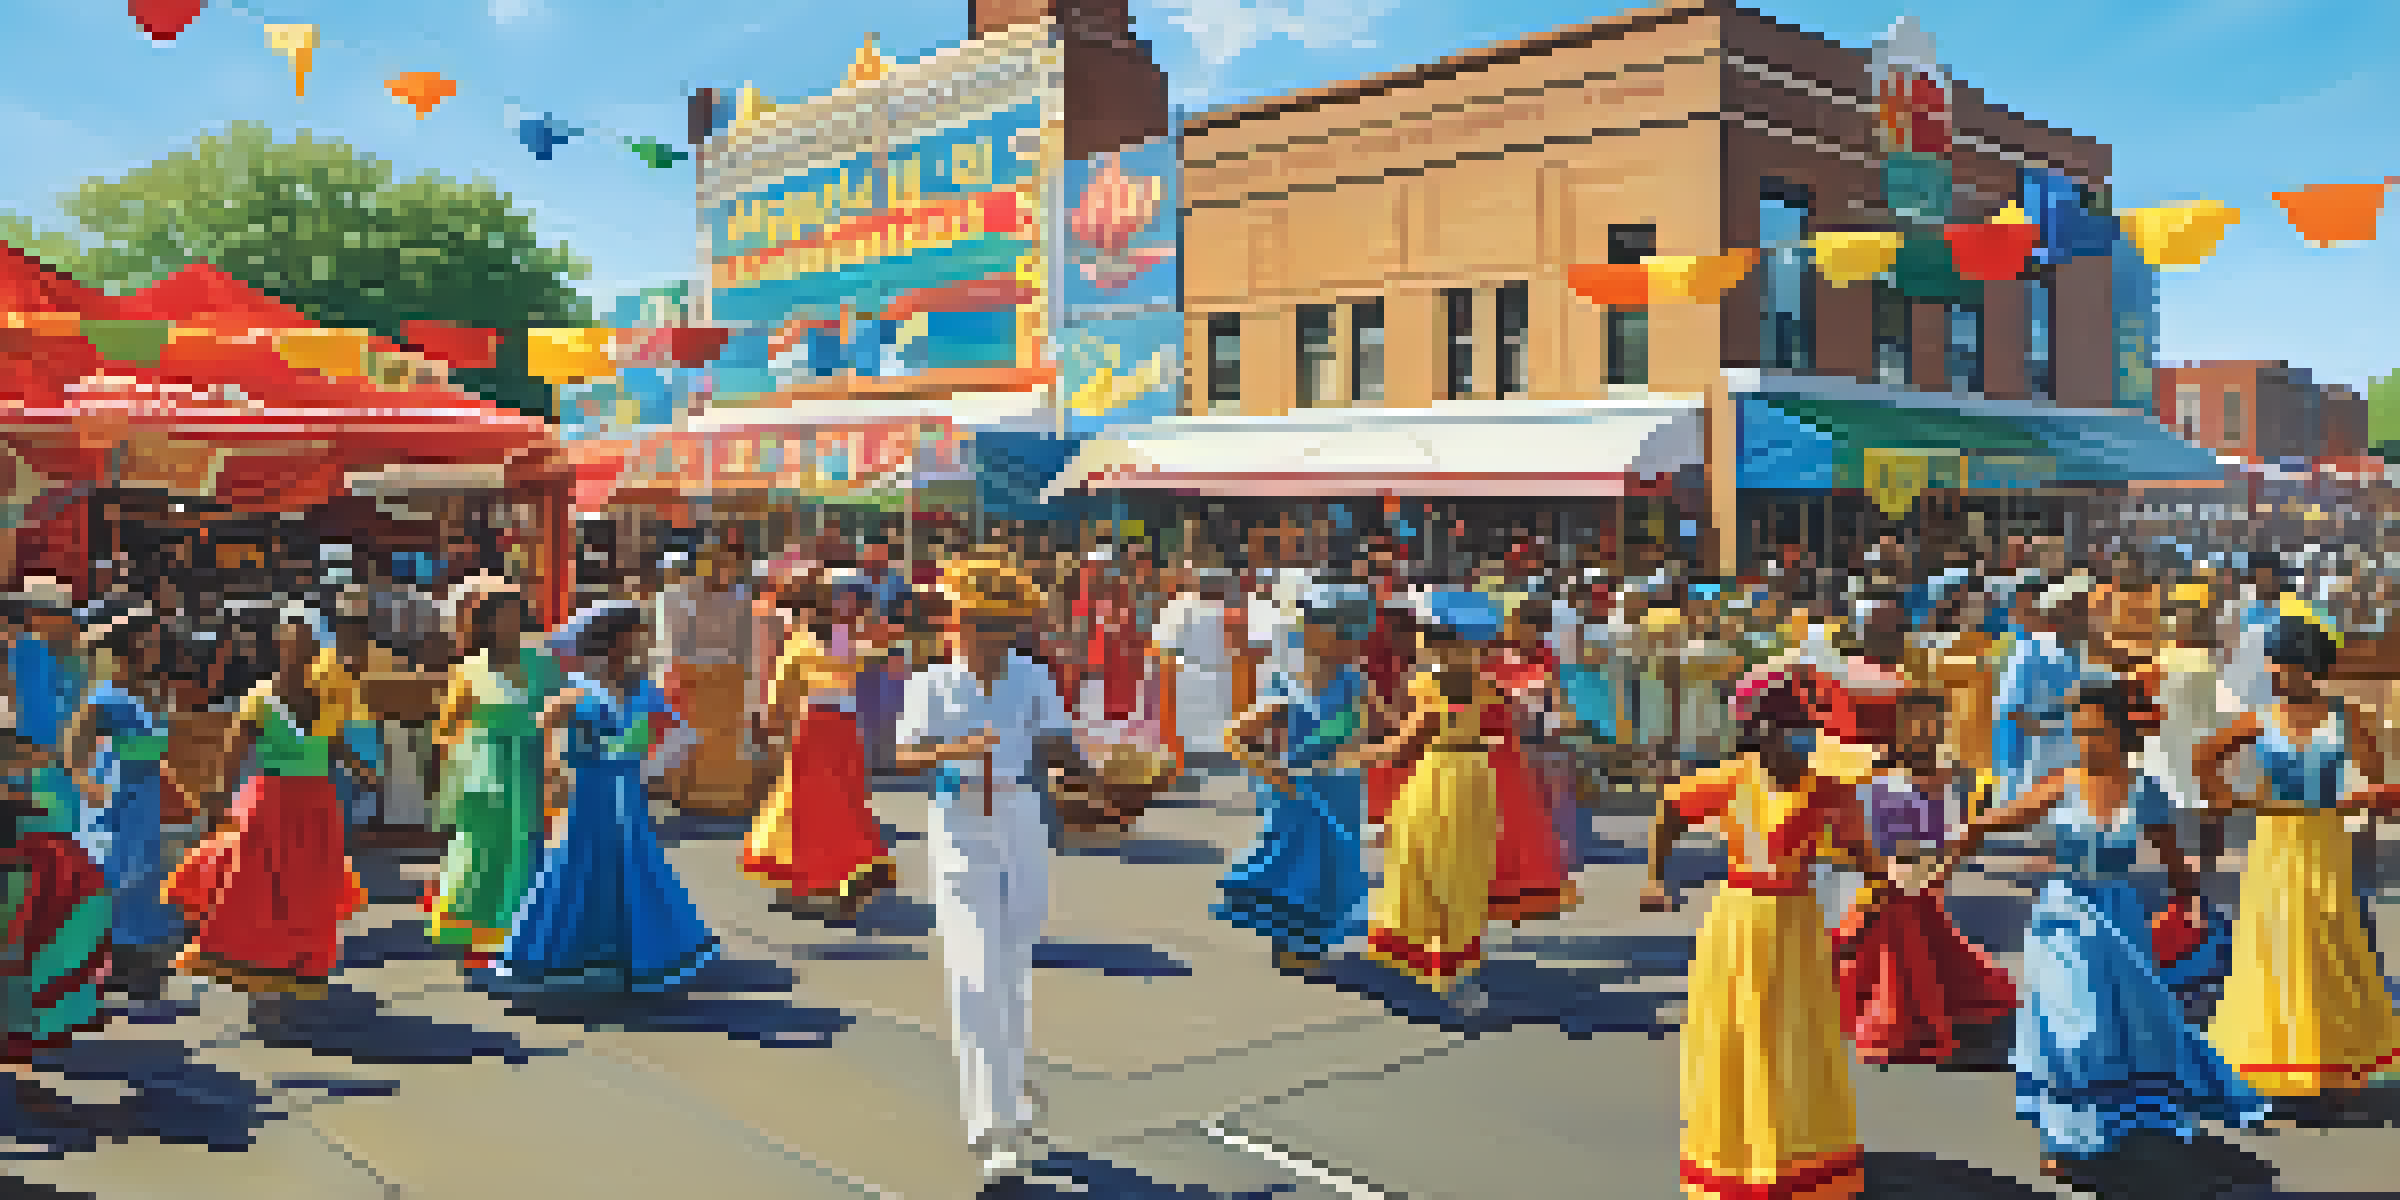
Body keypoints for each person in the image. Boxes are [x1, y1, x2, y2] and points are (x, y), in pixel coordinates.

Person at [1933, 679, 2263, 1182]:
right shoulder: (2062, 783)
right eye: (2078, 731)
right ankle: (2064, 1136)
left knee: (2124, 1026)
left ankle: (2109, 1127)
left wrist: (2191, 904)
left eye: (2094, 731)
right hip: (2063, 918)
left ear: (2119, 733)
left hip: (2119, 921)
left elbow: (2176, 862)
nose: (2084, 741)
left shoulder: (2145, 791)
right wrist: (1952, 854)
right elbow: (1993, 821)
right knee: (2073, 1029)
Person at [1642, 666, 1881, 1200]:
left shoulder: (1829, 787)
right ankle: (1738, 1159)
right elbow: (1671, 810)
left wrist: (1884, 887)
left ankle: (1798, 1158)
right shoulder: (1731, 778)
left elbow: (1861, 853)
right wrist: (1655, 877)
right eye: (1793, 727)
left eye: (1810, 728)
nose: (1805, 738)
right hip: (1739, 921)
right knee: (1739, 1036)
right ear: (1762, 730)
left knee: (1795, 1039)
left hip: (1797, 926)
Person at [895, 555, 1093, 1181]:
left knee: (1011, 969)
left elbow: (1057, 744)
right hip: (960, 824)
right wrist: (956, 749)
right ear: (955, 622)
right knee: (973, 972)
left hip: (1021, 821)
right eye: (980, 623)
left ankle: (1010, 1085)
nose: (992, 636)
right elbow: (903, 755)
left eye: (1004, 625)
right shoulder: (930, 683)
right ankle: (993, 1125)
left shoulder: (1031, 677)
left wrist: (1095, 773)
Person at [2196, 613, 2400, 1118]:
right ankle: (2275, 1067)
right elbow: (2204, 756)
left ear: (2306, 665)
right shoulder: (2260, 717)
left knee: (2329, 950)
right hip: (2274, 844)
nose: (2272, 670)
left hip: (2326, 842)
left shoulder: (2346, 716)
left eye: (2280, 661)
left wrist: (2363, 802)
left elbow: (2377, 782)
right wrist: (2232, 800)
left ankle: (2336, 1069)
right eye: (2271, 660)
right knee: (2275, 951)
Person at [481, 601, 717, 995]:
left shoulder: (646, 690)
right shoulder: (579, 690)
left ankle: (638, 951)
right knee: (576, 867)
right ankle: (560, 953)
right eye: (628, 639)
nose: (635, 647)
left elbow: (682, 734)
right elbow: (541, 727)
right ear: (608, 644)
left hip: (627, 793)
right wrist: (554, 764)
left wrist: (650, 767)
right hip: (589, 794)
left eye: (637, 639)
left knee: (634, 868)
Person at [162, 608, 372, 1028]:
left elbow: (332, 742)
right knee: (262, 894)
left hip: (317, 806)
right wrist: (218, 802)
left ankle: (296, 973)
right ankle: (263, 988)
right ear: (279, 643)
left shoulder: (326, 696)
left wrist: (363, 770)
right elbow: (233, 752)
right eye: (293, 638)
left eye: (308, 640)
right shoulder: (258, 698)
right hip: (269, 803)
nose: (300, 647)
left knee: (308, 894)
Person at [1830, 691, 2015, 1066]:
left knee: (1919, 931)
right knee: (1894, 928)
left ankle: (1918, 1007)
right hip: (1885, 883)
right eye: (1915, 721)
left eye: (1933, 720)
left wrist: (1942, 859)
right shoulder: (1876, 780)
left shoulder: (1955, 779)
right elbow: (1858, 842)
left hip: (1924, 878)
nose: (1925, 729)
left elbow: (1954, 838)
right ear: (1899, 728)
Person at [1347, 590, 1505, 1010]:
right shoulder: (1484, 685)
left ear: (1438, 643)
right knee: (1463, 874)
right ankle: (1454, 965)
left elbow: (1402, 746)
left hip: (1439, 783)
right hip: (1475, 781)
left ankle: (1442, 971)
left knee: (1430, 870)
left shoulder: (1432, 688)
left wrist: (1349, 755)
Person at [1217, 589, 1375, 973]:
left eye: (1343, 630)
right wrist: (1271, 772)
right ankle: (1293, 944)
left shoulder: (1353, 682)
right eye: (1326, 627)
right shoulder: (1286, 684)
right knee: (1293, 868)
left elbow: (1358, 735)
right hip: (1300, 795)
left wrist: (1348, 754)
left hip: (1338, 792)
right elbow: (1235, 736)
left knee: (1332, 870)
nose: (1345, 640)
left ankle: (1310, 942)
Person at [743, 573, 896, 921]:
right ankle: (812, 882)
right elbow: (783, 690)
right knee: (814, 807)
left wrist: (771, 723)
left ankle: (828, 881)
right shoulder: (821, 640)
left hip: (833, 731)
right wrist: (772, 723)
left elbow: (783, 691)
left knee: (825, 807)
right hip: (821, 730)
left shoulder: (833, 639)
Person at [426, 584, 562, 965]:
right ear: (486, 623)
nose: (510, 623)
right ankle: (475, 931)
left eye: (516, 614)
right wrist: (451, 776)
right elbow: (444, 730)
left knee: (527, 849)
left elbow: (565, 714)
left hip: (530, 769)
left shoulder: (543, 664)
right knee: (481, 851)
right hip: (483, 774)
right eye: (502, 616)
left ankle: (520, 933)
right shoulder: (469, 669)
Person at [60, 610, 182, 1003]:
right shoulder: (104, 696)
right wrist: (86, 784)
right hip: (115, 801)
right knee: (115, 879)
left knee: (143, 881)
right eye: (149, 639)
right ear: (130, 647)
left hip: (144, 801)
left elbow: (157, 754)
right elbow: (73, 750)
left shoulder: (151, 694)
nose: (156, 646)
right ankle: (110, 965)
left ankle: (135, 965)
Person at [0, 728, 115, 1119]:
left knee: (16, 967)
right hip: (24, 864)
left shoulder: (36, 824)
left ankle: (19, 1070)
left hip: (25, 865)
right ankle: (19, 1071)